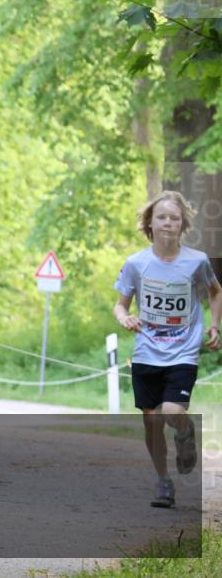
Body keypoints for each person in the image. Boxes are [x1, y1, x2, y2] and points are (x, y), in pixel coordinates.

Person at [113, 190, 221, 508]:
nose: (167, 223)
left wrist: (214, 326)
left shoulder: (197, 261)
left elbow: (216, 291)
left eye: (174, 218)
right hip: (147, 351)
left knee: (173, 413)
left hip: (183, 351)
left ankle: (185, 432)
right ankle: (163, 481)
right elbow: (120, 305)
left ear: (182, 225)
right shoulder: (136, 263)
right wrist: (126, 318)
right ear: (150, 223)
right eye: (161, 217)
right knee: (151, 422)